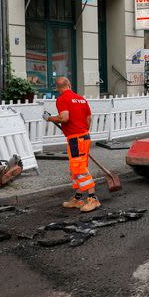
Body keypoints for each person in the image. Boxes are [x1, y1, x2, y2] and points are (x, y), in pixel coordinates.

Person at [45, 77, 100, 213]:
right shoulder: (81, 99)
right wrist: (83, 130)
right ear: (69, 84)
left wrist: (49, 118)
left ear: (57, 88)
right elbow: (89, 118)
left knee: (80, 169)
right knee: (76, 169)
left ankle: (93, 199)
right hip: (84, 136)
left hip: (76, 139)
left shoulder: (62, 99)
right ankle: (78, 198)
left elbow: (64, 118)